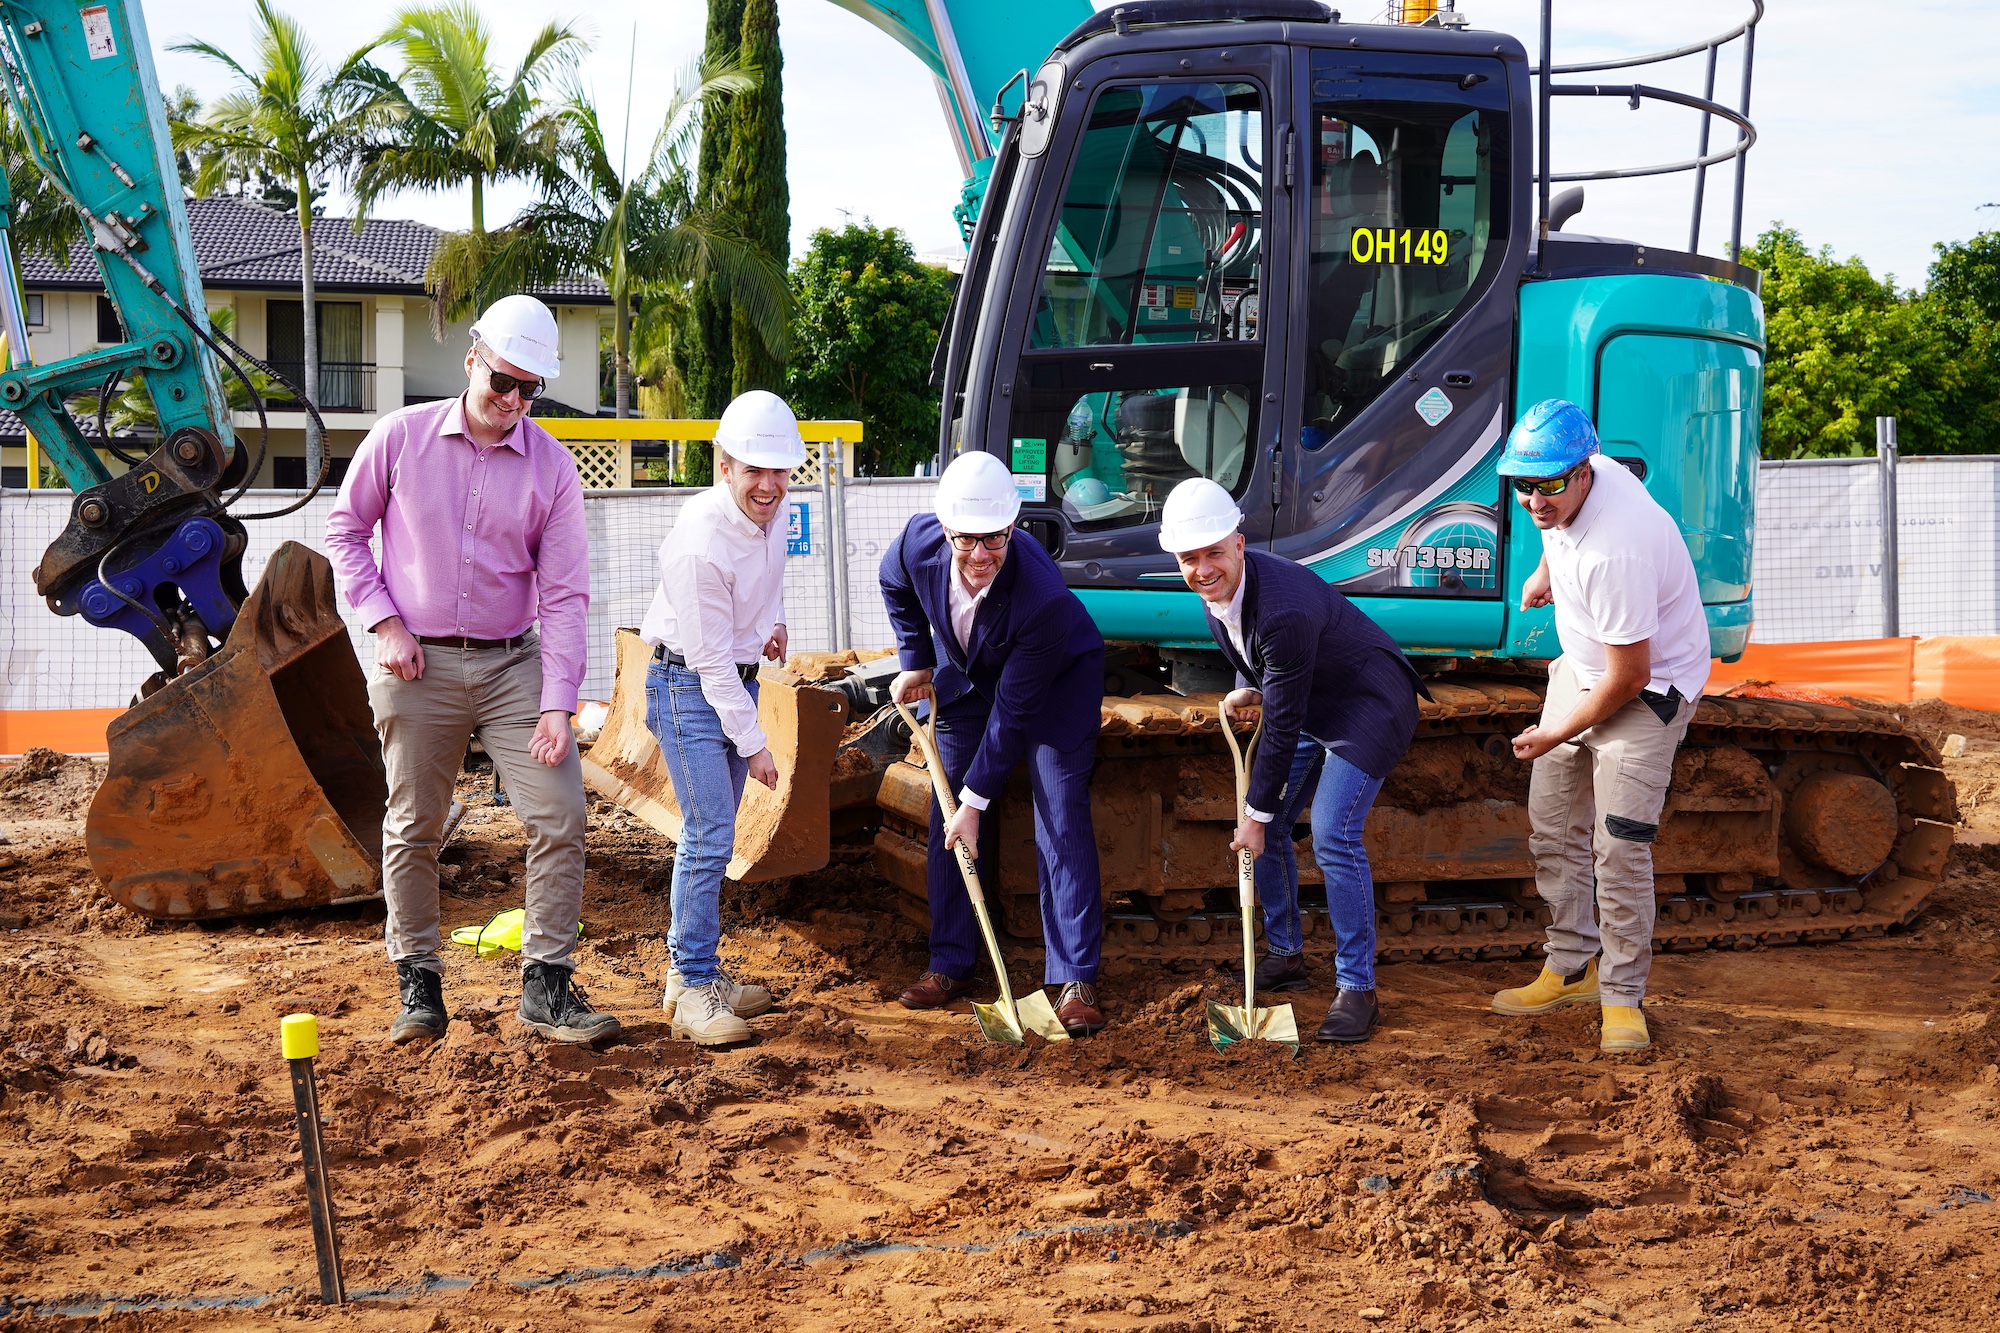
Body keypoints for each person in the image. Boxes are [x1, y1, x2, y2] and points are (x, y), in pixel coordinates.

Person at [327, 294, 617, 1049]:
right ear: (471, 361)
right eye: (503, 382)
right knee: (414, 825)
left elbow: (563, 592)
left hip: (513, 665)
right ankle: (418, 984)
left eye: (531, 390)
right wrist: (384, 620)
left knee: (560, 815)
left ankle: (546, 987)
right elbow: (346, 530)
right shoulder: (399, 438)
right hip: (414, 661)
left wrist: (558, 702)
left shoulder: (552, 468)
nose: (514, 401)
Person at [1160, 478, 1426, 1043]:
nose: (1203, 569)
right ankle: (1285, 955)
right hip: (1311, 699)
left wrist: (1253, 817)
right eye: (1190, 558)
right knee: (1279, 822)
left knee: (1332, 833)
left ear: (1239, 543)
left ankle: (1358, 989)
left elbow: (1281, 725)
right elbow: (1252, 649)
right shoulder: (1218, 594)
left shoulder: (1284, 609)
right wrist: (1248, 682)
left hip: (1367, 703)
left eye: (1213, 553)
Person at [1489, 400, 1709, 1053]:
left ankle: (1621, 997)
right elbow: (1553, 527)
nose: (1534, 499)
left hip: (1646, 690)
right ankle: (1571, 965)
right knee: (1553, 826)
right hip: (1581, 669)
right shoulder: (1572, 481)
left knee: (1618, 847)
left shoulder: (1619, 549)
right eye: (1522, 484)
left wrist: (1557, 732)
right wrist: (1542, 570)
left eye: (1549, 483)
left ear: (1584, 471)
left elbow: (1628, 678)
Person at [879, 452, 1109, 1036]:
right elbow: (893, 581)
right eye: (967, 541)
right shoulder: (918, 541)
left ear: (1014, 527)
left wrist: (977, 802)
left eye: (996, 540)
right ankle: (951, 963)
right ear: (947, 530)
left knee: (1057, 810)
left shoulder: (1041, 595)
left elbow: (1014, 713)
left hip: (1054, 686)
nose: (981, 556)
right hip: (973, 676)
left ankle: (1073, 978)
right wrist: (916, 659)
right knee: (946, 816)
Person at [641, 390, 802, 1046]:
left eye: (778, 471)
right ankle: (691, 986)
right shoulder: (699, 545)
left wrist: (771, 624)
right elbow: (708, 664)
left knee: (715, 833)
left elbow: (767, 578)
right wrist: (757, 744)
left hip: (733, 676)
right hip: (687, 687)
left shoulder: (775, 511)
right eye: (753, 470)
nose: (768, 485)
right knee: (709, 834)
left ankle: (692, 978)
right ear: (724, 465)